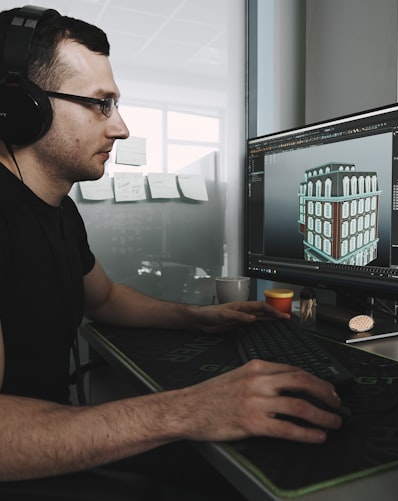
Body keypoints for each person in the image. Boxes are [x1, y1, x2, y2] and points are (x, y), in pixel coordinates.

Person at [0, 6, 345, 499]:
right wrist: (187, 410)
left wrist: (197, 317)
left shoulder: (58, 211)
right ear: (20, 106)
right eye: (101, 104)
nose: (119, 128)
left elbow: (105, 299)